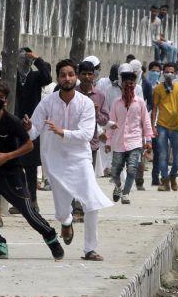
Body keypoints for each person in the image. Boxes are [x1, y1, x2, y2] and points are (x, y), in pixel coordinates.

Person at [25, 59, 113, 261]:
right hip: (54, 162)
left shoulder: (86, 104)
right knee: (63, 209)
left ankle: (90, 249)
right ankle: (66, 223)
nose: (67, 78)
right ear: (58, 78)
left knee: (92, 201)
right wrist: (28, 127)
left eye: (70, 74)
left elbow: (85, 134)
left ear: (76, 77)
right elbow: (34, 132)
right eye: (63, 75)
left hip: (80, 159)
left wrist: (61, 131)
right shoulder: (47, 102)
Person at [0, 81, 64, 260]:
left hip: (11, 173)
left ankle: (50, 236)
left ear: (5, 101)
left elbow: (29, 145)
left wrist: (6, 157)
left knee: (27, 211)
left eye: (0, 97)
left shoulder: (12, 122)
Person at [105, 64, 153, 204]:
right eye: (126, 83)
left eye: (131, 83)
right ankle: (118, 188)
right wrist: (108, 141)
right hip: (118, 142)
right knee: (115, 172)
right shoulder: (116, 103)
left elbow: (146, 121)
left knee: (132, 169)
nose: (129, 86)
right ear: (122, 84)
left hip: (135, 141)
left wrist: (148, 140)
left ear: (135, 85)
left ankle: (125, 194)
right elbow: (111, 123)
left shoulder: (140, 103)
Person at [12, 47, 52, 212]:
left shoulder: (36, 77)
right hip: (14, 123)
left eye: (27, 59)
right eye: (21, 58)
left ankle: (33, 200)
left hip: (31, 124)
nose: (24, 62)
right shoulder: (11, 76)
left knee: (30, 165)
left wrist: (37, 58)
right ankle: (21, 199)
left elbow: (48, 77)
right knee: (15, 163)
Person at [152, 62, 178, 191]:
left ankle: (173, 176)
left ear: (175, 74)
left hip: (177, 126)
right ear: (162, 73)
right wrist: (153, 126)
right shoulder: (158, 89)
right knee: (162, 154)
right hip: (162, 125)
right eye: (166, 71)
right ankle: (165, 180)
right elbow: (154, 108)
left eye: (171, 72)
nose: (169, 74)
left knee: (177, 157)